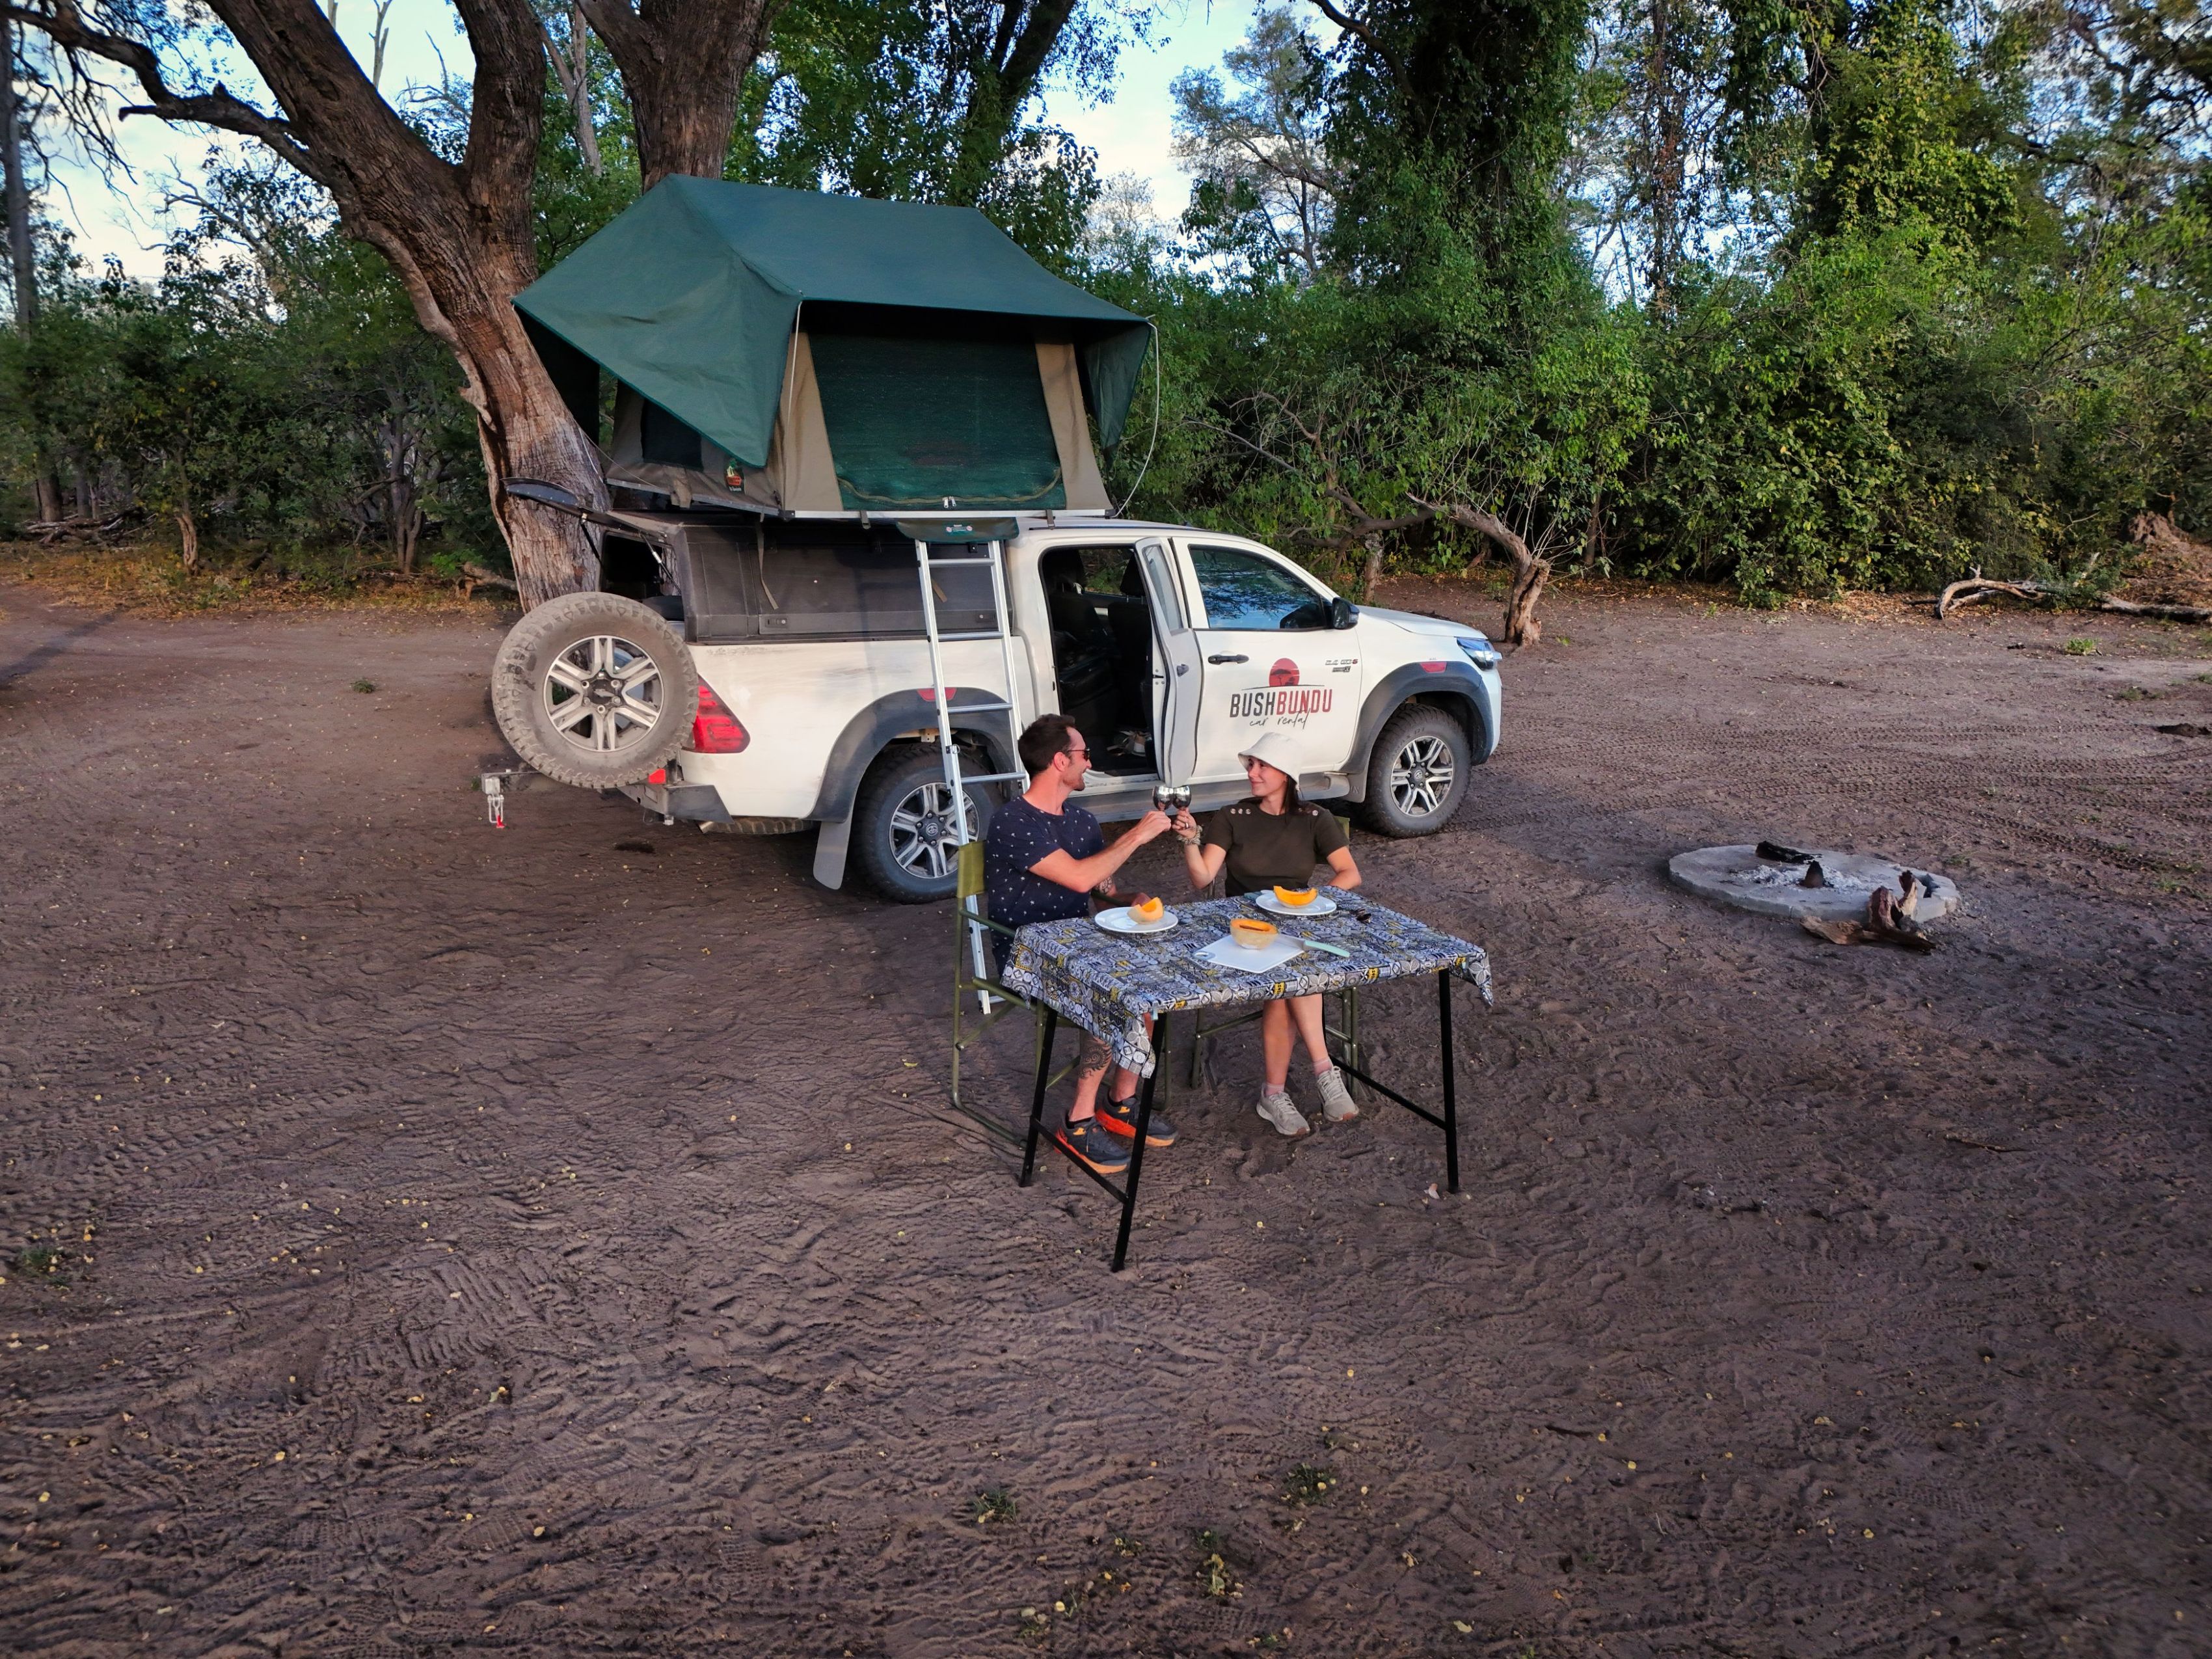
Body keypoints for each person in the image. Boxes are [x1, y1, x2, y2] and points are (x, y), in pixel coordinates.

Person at [984, 713, 1176, 1175]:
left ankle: (1121, 1102)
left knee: (1149, 989)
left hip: (1080, 945)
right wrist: (1137, 833)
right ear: (1058, 761)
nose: (1091, 763)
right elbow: (1076, 875)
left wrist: (1132, 898)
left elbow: (1101, 887)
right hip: (1028, 952)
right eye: (1084, 754)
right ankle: (1078, 1121)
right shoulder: (1012, 821)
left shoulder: (1081, 820)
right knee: (1113, 999)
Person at [1172, 730, 1363, 1138]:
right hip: (1244, 931)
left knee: (1287, 984)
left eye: (1260, 765)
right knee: (1296, 975)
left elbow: (1351, 874)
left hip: (1295, 928)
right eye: (1251, 765)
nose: (1251, 773)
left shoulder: (1315, 819)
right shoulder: (1232, 817)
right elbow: (1202, 877)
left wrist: (1314, 900)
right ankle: (1324, 1071)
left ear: (1286, 774)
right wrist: (1191, 840)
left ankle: (1274, 1094)